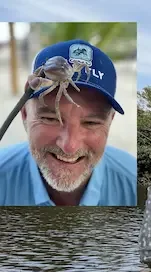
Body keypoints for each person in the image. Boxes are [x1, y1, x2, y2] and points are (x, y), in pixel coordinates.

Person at [0, 39, 136, 206]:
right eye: (50, 119)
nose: (69, 146)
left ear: (110, 121)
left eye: (91, 123)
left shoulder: (135, 182)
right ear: (25, 113)